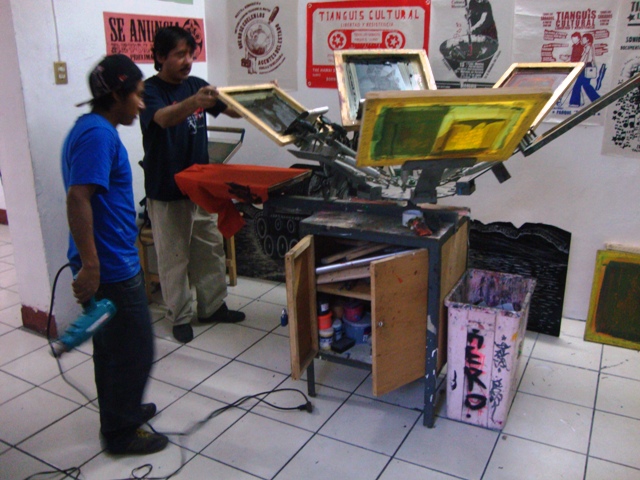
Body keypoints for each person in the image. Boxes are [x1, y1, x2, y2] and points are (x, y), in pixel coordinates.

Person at [62, 54, 168, 455]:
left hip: (109, 260)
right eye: (137, 95)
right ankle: (122, 432)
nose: (141, 104)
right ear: (116, 96)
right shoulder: (98, 136)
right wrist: (91, 266)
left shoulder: (92, 128)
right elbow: (78, 198)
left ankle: (120, 412)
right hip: (109, 267)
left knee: (112, 349)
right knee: (135, 350)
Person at [140, 26, 245, 344]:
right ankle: (180, 316)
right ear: (160, 57)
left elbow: (231, 111)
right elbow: (163, 118)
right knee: (174, 258)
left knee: (209, 249)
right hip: (167, 189)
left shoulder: (196, 85)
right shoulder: (149, 90)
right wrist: (194, 101)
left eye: (191, 54)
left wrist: (257, 98)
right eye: (179, 54)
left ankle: (212, 307)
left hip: (201, 188)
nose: (188, 61)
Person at [570, 33, 600, 107]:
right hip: (588, 66)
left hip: (585, 66)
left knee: (579, 84)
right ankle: (597, 99)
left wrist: (579, 65)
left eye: (583, 39)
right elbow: (592, 58)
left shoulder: (588, 47)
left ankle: (575, 102)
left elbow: (584, 57)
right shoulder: (589, 46)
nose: (582, 40)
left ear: (588, 40)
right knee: (585, 85)